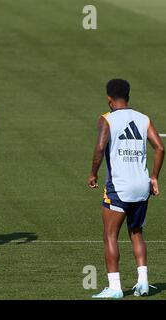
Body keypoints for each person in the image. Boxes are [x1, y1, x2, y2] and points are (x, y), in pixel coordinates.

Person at [88, 79, 164, 298]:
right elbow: (160, 148)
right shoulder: (143, 119)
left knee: (110, 235)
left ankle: (114, 287)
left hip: (119, 187)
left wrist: (93, 173)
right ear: (128, 96)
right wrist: (155, 177)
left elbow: (100, 148)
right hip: (142, 186)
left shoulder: (107, 119)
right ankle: (143, 283)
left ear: (109, 99)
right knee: (136, 231)